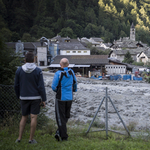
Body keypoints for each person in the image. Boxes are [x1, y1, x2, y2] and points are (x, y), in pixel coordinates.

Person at [14, 52, 46, 144]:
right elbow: (41, 87)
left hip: (23, 97)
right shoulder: (38, 70)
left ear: (24, 60)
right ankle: (31, 139)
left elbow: (16, 85)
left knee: (24, 117)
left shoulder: (19, 70)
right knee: (33, 117)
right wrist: (43, 99)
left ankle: (19, 138)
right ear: (34, 60)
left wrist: (18, 96)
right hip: (35, 97)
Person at [51, 58, 77, 141]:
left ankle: (64, 136)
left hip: (61, 98)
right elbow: (75, 83)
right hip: (69, 97)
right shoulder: (71, 72)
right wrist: (74, 90)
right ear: (68, 64)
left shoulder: (58, 73)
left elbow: (53, 87)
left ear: (60, 64)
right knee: (66, 116)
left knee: (60, 117)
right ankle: (59, 132)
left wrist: (57, 91)